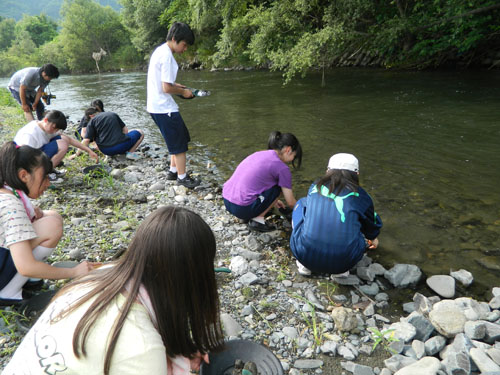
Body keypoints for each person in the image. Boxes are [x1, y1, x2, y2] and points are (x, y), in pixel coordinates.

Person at [3, 206, 224, 374]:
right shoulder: (142, 346)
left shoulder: (102, 276)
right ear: (192, 277)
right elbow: (135, 346)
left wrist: (177, 349)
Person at [0, 142, 93, 304]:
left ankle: (25, 280)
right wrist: (74, 272)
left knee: (52, 216)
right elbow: (25, 266)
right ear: (24, 175)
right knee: (51, 226)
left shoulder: (7, 190)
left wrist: (37, 213)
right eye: (45, 177)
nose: (48, 183)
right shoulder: (11, 205)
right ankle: (8, 291)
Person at [290, 153, 383, 276]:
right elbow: (372, 225)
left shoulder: (315, 186)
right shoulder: (362, 196)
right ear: (357, 174)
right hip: (344, 263)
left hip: (303, 255)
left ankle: (304, 266)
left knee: (302, 203)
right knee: (358, 225)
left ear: (328, 171)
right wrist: (373, 238)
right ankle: (341, 272)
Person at [147, 22, 200, 189]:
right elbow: (166, 87)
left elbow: (165, 81)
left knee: (177, 139)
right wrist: (183, 92)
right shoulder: (167, 56)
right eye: (184, 45)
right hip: (164, 108)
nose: (185, 49)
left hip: (156, 107)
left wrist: (179, 87)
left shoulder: (160, 51)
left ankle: (172, 171)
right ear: (175, 39)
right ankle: (182, 178)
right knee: (179, 145)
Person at [223, 131, 302, 232]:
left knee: (273, 185)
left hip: (227, 200)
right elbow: (291, 202)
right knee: (278, 187)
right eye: (294, 156)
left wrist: (274, 201)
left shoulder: (260, 154)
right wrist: (306, 211)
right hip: (241, 208)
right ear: (288, 150)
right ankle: (257, 221)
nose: (292, 160)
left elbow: (255, 181)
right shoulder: (282, 168)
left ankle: (247, 215)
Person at [13, 110, 99, 179]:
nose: (54, 131)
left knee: (64, 139)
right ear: (46, 120)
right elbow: (23, 156)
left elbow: (69, 139)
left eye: (57, 129)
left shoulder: (47, 127)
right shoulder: (30, 134)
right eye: (54, 128)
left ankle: (48, 170)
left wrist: (89, 150)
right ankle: (42, 175)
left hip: (38, 152)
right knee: (62, 144)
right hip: (26, 160)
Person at [80, 108, 144, 160]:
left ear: (91, 116)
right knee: (140, 132)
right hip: (121, 146)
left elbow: (86, 140)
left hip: (106, 151)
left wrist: (76, 154)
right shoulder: (112, 114)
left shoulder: (92, 122)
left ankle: (108, 156)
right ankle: (130, 153)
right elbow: (125, 130)